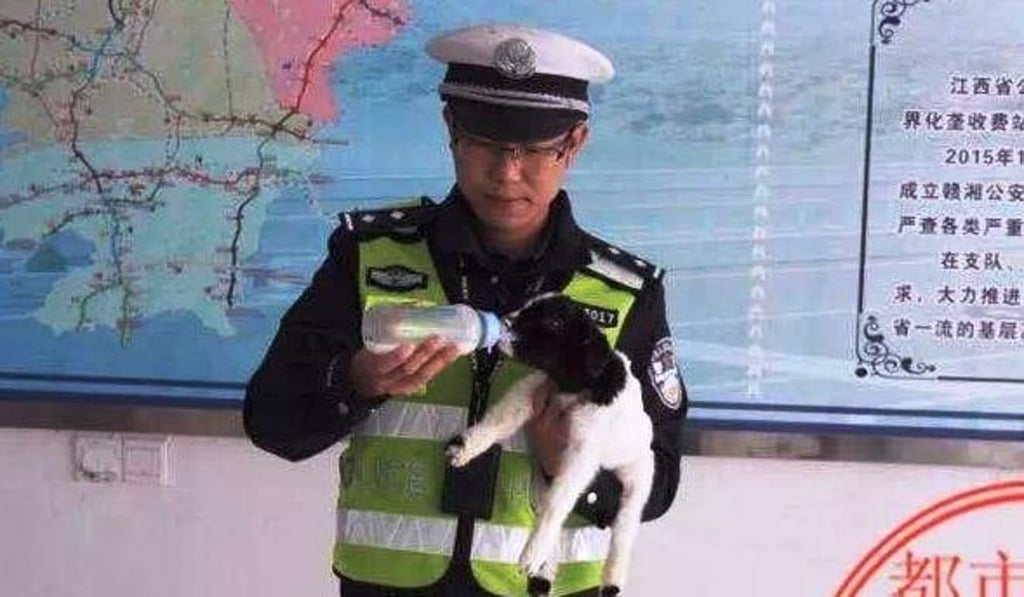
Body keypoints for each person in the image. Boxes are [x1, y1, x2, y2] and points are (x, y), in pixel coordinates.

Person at [244, 23, 687, 597]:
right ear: (452, 128)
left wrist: (575, 470)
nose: (507, 173)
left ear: (573, 144)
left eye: (534, 149)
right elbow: (272, 422)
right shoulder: (368, 257)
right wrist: (355, 380)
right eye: (486, 142)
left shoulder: (625, 292)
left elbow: (663, 477)